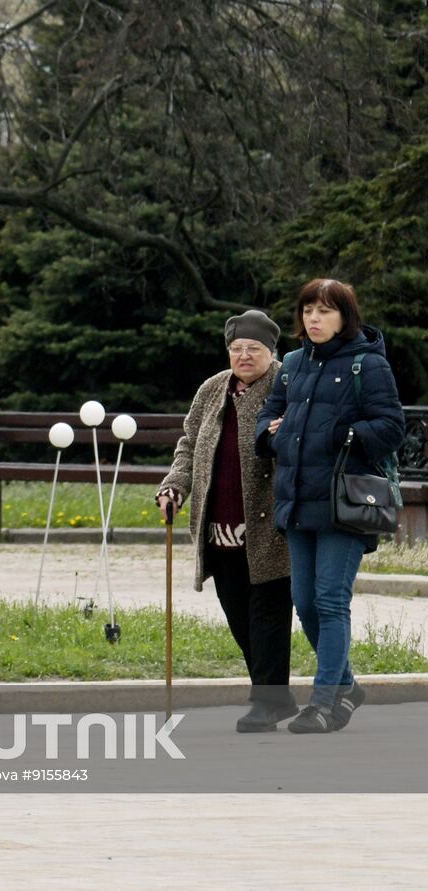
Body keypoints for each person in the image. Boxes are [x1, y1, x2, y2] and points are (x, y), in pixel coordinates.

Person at [256, 279, 405, 733]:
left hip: (346, 504)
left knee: (331, 600)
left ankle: (323, 703)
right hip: (298, 500)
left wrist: (348, 434)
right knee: (305, 603)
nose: (314, 319)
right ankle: (348, 687)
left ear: (345, 316)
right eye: (307, 311)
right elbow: (269, 415)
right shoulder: (293, 364)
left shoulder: (368, 365)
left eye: (324, 311)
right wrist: (269, 434)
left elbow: (392, 425)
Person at [156, 310, 295, 732]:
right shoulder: (212, 388)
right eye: (236, 348)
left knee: (267, 615)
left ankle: (265, 702)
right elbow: (189, 444)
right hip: (220, 529)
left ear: (272, 352)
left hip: (271, 528)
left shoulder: (289, 383)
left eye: (254, 348)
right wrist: (174, 487)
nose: (244, 356)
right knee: (239, 615)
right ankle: (277, 697)